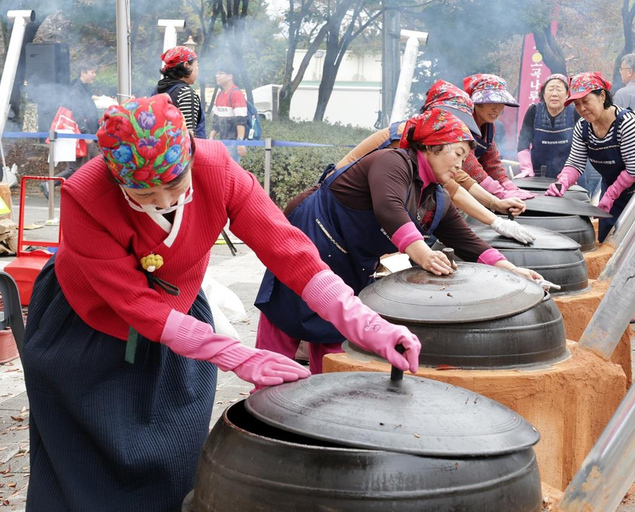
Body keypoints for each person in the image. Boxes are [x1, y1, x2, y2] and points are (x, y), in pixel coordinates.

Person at [21, 95, 420, 511]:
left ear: (190, 157)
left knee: (175, 453)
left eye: (174, 185)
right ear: (115, 177)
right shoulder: (85, 195)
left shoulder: (217, 171)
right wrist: (234, 354)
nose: (163, 202)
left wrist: (365, 323)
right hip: (86, 325)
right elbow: (136, 303)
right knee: (85, 463)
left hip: (181, 319)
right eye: (143, 192)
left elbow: (289, 252)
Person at [255, 109, 544, 373]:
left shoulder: (436, 197)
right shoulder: (393, 161)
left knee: (335, 332)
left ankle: (322, 396)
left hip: (351, 261)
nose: (460, 165)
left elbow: (468, 241)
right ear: (432, 146)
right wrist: (424, 254)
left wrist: (512, 270)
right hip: (312, 236)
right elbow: (389, 208)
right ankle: (263, 393)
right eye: (457, 154)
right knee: (283, 322)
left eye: (464, 158)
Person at [336, 79, 533, 243]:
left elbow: (458, 180)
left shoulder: (436, 143)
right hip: (344, 207)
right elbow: (451, 188)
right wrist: (495, 219)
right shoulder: (405, 137)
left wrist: (496, 204)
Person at [545, 72, 635, 323]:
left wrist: (611, 194)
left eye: (586, 101)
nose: (582, 109)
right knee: (608, 243)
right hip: (614, 189)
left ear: (603, 96)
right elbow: (575, 163)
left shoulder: (626, 122)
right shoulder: (583, 127)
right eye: (577, 104)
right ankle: (613, 297)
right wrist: (562, 182)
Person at [462, 73, 535, 201]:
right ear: (477, 102)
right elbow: (468, 162)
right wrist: (497, 191)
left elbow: (491, 160)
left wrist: (507, 185)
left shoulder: (490, 126)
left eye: (501, 102)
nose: (497, 109)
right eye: (491, 102)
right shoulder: (462, 123)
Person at [516, 73, 588, 188]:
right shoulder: (533, 111)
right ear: (543, 94)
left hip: (571, 176)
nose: (554, 94)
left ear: (567, 94)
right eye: (550, 89)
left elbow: (584, 146)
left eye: (559, 90)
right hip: (538, 175)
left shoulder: (575, 112)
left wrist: (571, 174)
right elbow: (523, 144)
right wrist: (526, 168)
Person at [41, 64, 101, 198]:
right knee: (87, 165)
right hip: (81, 135)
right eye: (92, 72)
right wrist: (86, 134)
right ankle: (75, 192)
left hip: (82, 134)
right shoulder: (77, 90)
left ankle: (53, 185)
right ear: (83, 72)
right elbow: (78, 113)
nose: (94, 75)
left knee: (88, 165)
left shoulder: (82, 89)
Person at [155, 45, 206, 138]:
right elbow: (188, 135)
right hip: (180, 146)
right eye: (196, 66)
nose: (197, 69)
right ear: (186, 65)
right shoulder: (186, 93)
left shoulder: (158, 89)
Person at [209, 64, 248, 163]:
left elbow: (241, 121)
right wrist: (211, 137)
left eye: (221, 73)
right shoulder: (220, 94)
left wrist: (240, 142)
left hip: (233, 143)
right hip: (223, 142)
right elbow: (216, 120)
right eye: (217, 73)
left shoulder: (236, 94)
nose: (217, 76)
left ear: (230, 76)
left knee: (230, 169)